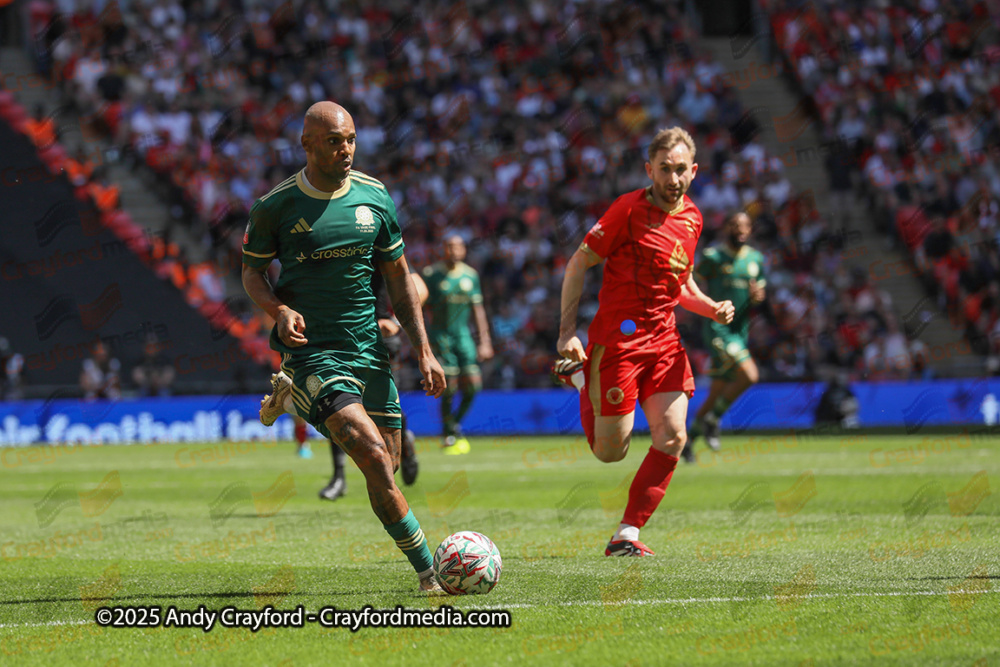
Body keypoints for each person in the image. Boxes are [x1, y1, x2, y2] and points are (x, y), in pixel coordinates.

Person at [242, 101, 447, 594]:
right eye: (334, 140)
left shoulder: (375, 197)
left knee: (387, 470)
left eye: (351, 139)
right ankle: (429, 576)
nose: (346, 149)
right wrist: (279, 311)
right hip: (314, 351)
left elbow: (398, 280)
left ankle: (294, 399)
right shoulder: (276, 206)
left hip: (369, 350)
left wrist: (424, 349)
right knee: (375, 458)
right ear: (308, 144)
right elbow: (252, 272)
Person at [553, 127, 734, 557]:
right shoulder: (627, 211)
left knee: (673, 436)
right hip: (619, 342)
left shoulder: (693, 217)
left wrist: (711, 308)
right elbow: (579, 262)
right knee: (610, 453)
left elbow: (681, 282)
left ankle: (626, 534)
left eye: (681, 171)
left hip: (665, 341)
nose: (673, 180)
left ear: (694, 171)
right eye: (664, 170)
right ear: (648, 169)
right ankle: (581, 379)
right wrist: (566, 331)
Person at [316, 266, 424, 501]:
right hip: (339, 336)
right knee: (335, 403)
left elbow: (419, 287)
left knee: (384, 407)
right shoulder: (332, 248)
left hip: (378, 338)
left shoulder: (376, 240)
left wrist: (395, 320)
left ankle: (403, 441)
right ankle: (339, 477)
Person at [682, 211, 767, 461]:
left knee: (717, 391)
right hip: (718, 329)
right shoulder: (713, 257)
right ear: (727, 228)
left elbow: (760, 291)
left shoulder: (755, 259)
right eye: (735, 225)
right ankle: (715, 419)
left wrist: (758, 297)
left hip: (741, 331)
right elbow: (691, 282)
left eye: (744, 226)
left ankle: (689, 440)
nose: (740, 230)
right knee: (750, 375)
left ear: (750, 230)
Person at [421, 235, 494, 455]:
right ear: (443, 249)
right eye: (449, 246)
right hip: (440, 335)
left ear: (463, 250)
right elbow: (421, 307)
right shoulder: (431, 275)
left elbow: (478, 310)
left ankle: (453, 425)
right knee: (449, 385)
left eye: (458, 246)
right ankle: (448, 432)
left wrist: (485, 340)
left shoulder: (470, 275)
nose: (454, 250)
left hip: (463, 336)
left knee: (473, 384)